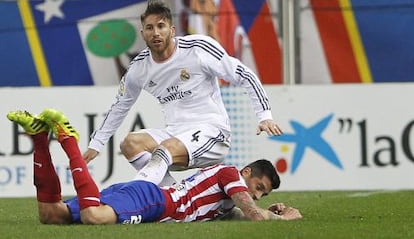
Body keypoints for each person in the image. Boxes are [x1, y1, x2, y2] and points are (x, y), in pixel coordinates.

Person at [83, 0, 283, 187]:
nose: (156, 33)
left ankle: (137, 193)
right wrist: (96, 144)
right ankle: (173, 195)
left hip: (213, 133)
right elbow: (120, 106)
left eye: (161, 26)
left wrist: (265, 115)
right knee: (130, 144)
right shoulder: (139, 69)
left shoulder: (197, 49)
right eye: (149, 28)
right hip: (176, 135)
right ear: (142, 33)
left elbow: (243, 74)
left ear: (172, 30)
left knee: (166, 148)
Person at [6, 109, 302, 224]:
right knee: (93, 218)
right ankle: (68, 140)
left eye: (262, 194)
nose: (257, 195)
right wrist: (286, 218)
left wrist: (267, 207)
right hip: (155, 202)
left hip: (140, 192)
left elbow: (238, 212)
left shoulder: (222, 201)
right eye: (259, 188)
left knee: (51, 215)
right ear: (247, 173)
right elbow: (251, 213)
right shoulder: (229, 173)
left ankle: (38, 138)